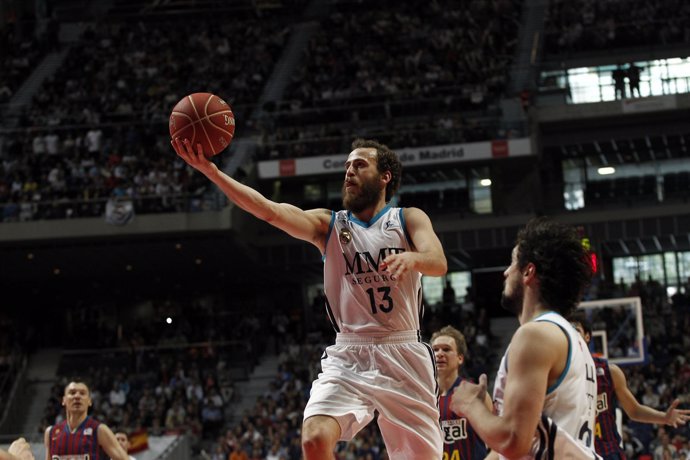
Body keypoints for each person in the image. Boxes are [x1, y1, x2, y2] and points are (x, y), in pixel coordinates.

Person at [173, 137, 447, 459]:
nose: (349, 172)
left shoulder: (408, 218)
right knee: (314, 439)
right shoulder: (328, 225)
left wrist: (413, 259)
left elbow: (438, 262)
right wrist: (214, 173)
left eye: (359, 165)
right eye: (347, 166)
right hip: (350, 353)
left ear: (385, 176)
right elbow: (269, 211)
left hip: (403, 352)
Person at [451, 217, 598, 459]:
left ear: (529, 271)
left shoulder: (535, 335)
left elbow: (513, 441)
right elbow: (516, 448)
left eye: (512, 263)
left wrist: (470, 406)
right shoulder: (571, 338)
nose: (506, 272)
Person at [569, 311, 690, 459]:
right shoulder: (556, 376)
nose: (571, 334)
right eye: (566, 330)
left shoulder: (609, 371)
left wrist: (664, 418)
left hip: (609, 453)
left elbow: (634, 411)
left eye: (575, 329)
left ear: (587, 336)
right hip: (576, 454)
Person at [431, 325, 490, 460]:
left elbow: (499, 448)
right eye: (435, 350)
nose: (439, 353)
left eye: (446, 349)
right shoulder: (423, 398)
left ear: (460, 358)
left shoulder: (475, 393)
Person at [44, 380, 130, 460]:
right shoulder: (51, 432)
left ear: (89, 401)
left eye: (82, 393)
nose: (77, 396)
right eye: (72, 393)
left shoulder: (100, 430)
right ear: (64, 400)